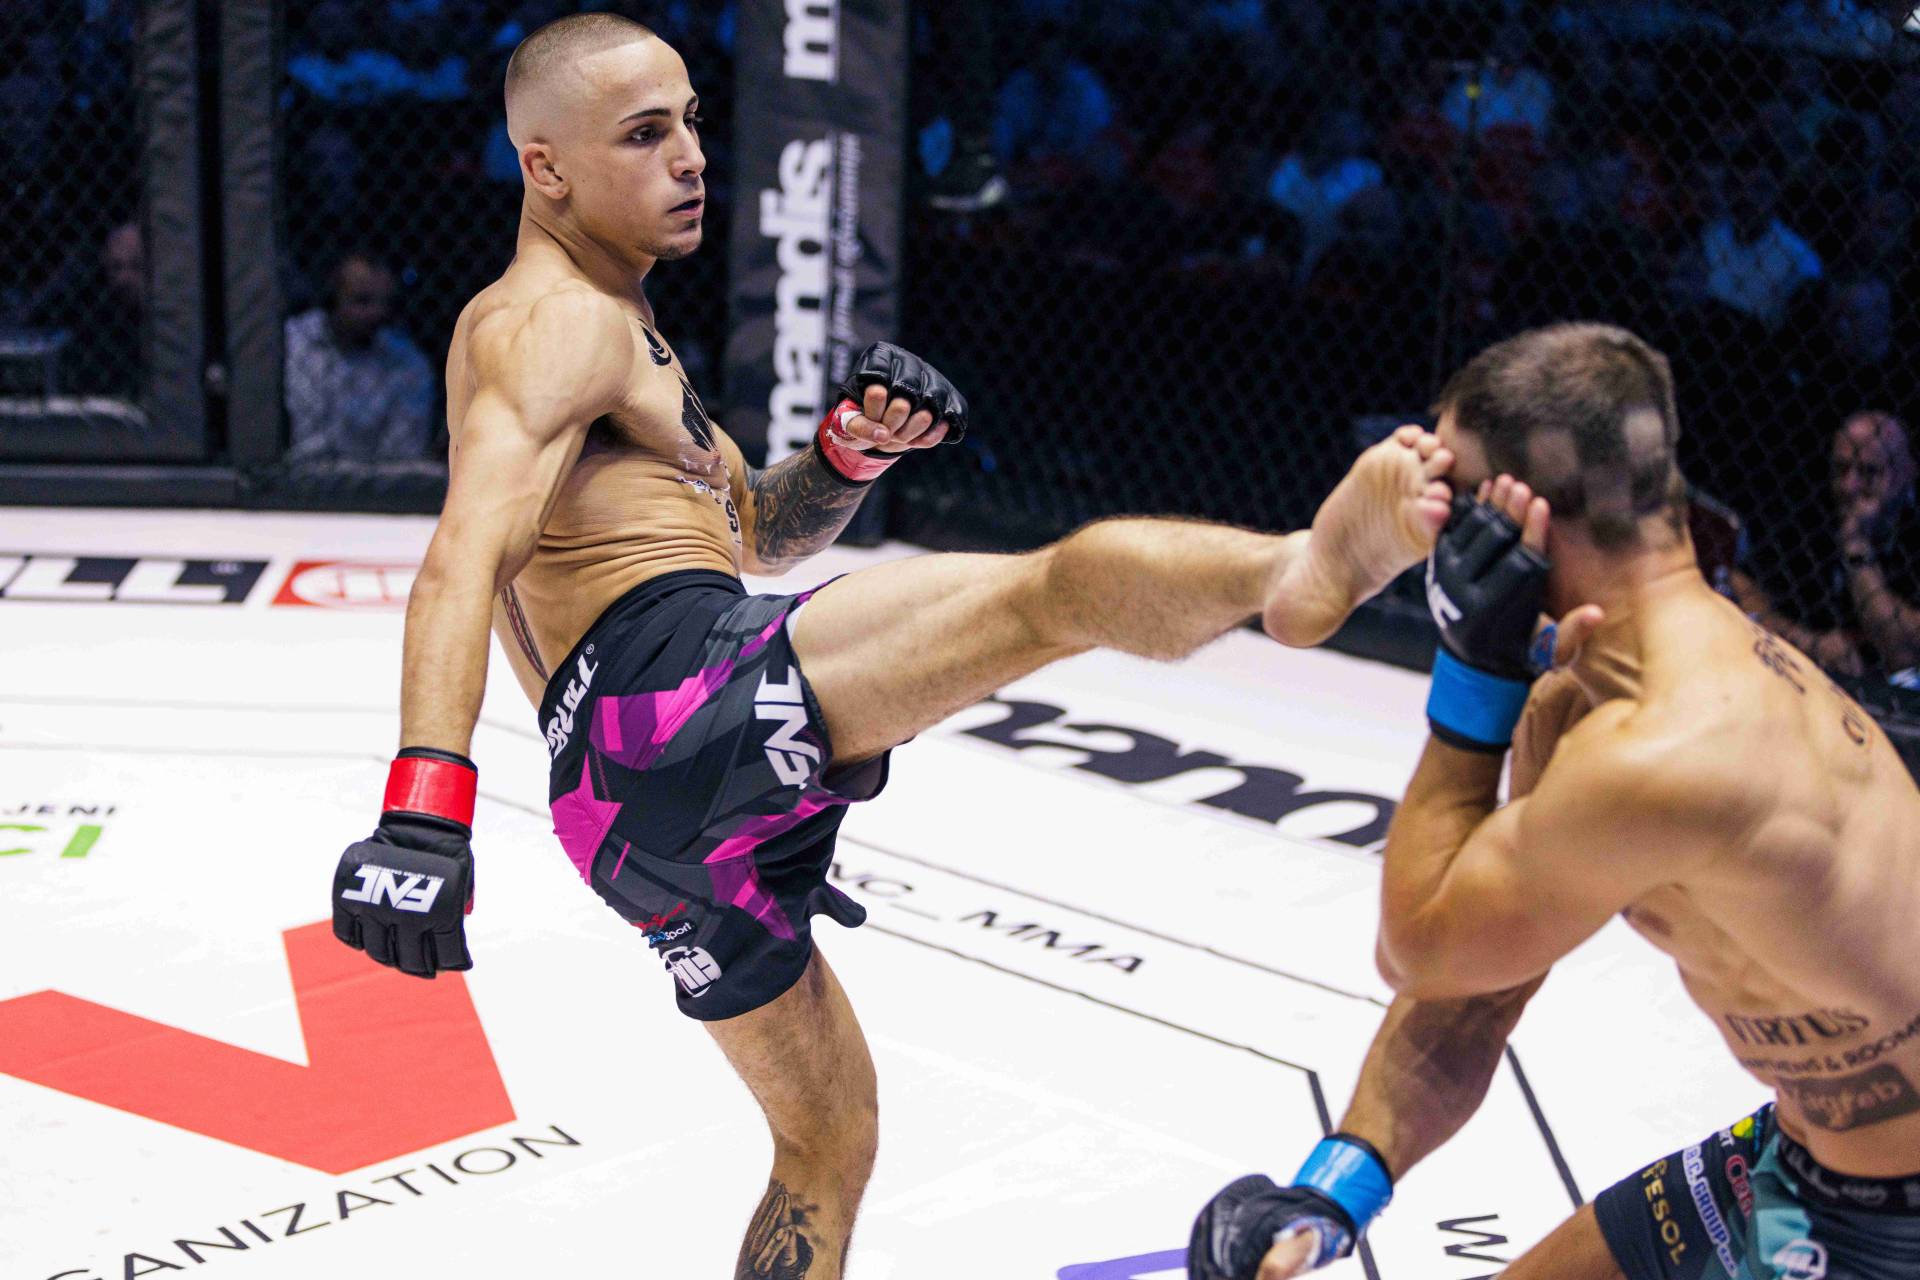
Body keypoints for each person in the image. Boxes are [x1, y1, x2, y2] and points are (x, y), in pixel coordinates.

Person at [325, 15, 1455, 1280]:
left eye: (692, 120)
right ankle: (1295, 571)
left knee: (826, 1139)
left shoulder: (618, 330)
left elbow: (756, 535)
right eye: (645, 135)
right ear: (545, 168)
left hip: (626, 803)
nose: (690, 156)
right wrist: (424, 812)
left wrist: (849, 453)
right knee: (1046, 592)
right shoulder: (549, 322)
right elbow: (463, 555)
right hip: (665, 687)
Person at [1190, 322, 1920, 1280]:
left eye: (1452, 503)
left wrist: (1470, 681)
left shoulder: (1671, 749)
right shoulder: (1596, 699)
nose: (1433, 532)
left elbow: (1417, 945)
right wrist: (1335, 1192)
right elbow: (1472, 988)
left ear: (1517, 517)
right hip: (1800, 1162)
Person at [1732, 411, 1920, 679]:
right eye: (1841, 469)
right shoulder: (1810, 514)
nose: (1849, 486)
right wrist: (1812, 643)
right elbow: (1742, 587)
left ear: (1907, 472)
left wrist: (1857, 548)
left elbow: (1903, 653)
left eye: (1869, 472)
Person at [284, 248, 436, 463]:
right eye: (362, 301)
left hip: (370, 481)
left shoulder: (406, 362)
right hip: (292, 472)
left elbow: (403, 453)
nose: (376, 313)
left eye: (385, 302)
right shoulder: (293, 342)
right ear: (332, 298)